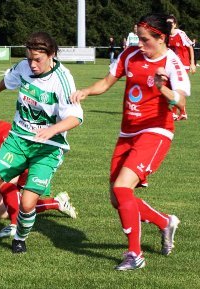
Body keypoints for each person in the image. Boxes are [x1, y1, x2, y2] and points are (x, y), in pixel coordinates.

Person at [70, 13, 190, 270]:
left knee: (123, 188)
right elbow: (106, 82)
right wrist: (86, 92)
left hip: (156, 131)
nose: (140, 43)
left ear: (160, 38)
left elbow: (179, 101)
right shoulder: (130, 55)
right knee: (117, 197)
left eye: (145, 39)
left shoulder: (172, 62)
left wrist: (162, 87)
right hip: (127, 132)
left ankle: (134, 255)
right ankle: (164, 222)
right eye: (138, 37)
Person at [0, 32, 83, 254]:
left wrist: (52, 130)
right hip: (18, 139)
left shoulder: (63, 79)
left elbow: (75, 117)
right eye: (29, 58)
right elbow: (9, 80)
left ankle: (19, 237)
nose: (32, 64)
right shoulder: (23, 67)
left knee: (28, 203)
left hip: (48, 148)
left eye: (38, 59)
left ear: (52, 55)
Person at [167, 15, 195, 121]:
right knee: (175, 89)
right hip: (172, 65)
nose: (168, 25)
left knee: (177, 89)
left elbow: (190, 47)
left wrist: (192, 63)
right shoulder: (166, 35)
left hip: (183, 64)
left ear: (174, 24)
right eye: (167, 23)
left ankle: (174, 112)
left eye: (170, 23)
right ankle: (183, 112)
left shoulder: (181, 34)